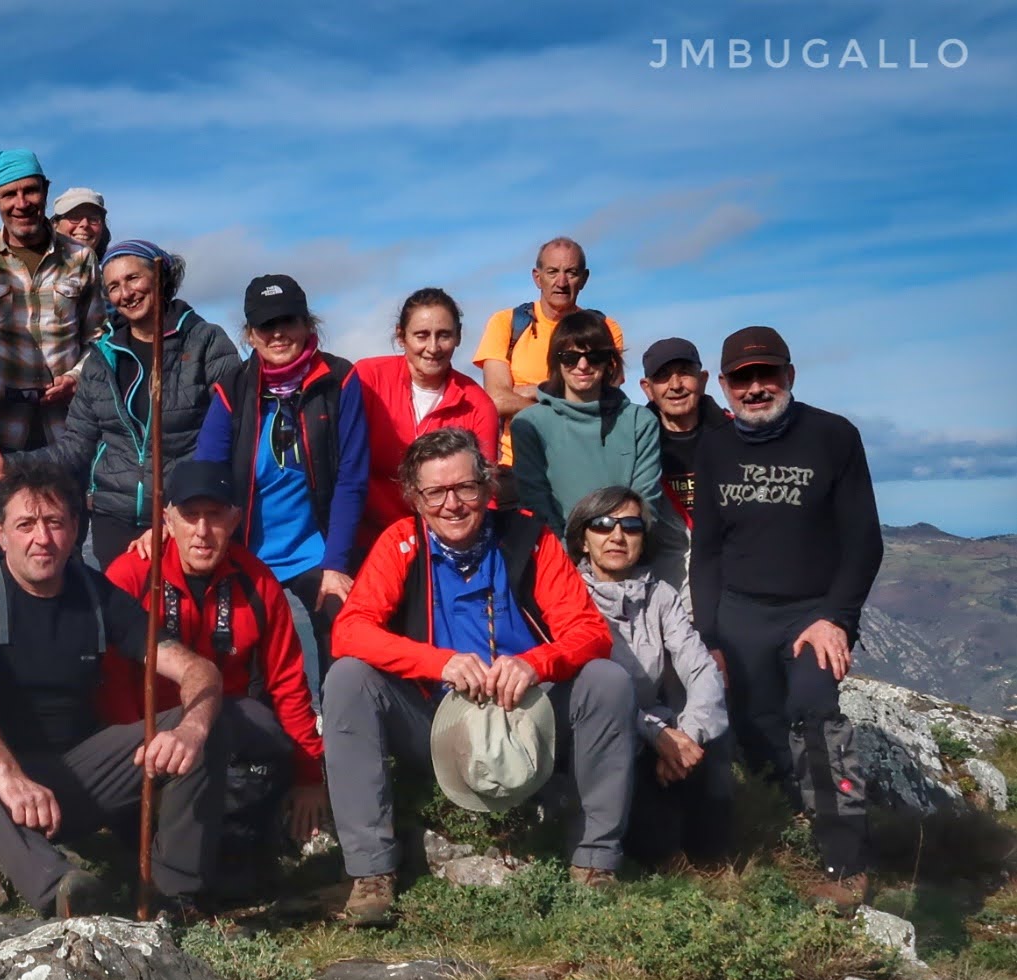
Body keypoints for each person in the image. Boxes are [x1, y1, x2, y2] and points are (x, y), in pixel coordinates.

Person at [324, 430, 634, 925]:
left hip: (529, 714)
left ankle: (595, 864)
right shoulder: (400, 543)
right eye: (435, 493)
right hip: (432, 719)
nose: (452, 504)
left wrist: (536, 663)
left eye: (465, 488)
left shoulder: (530, 538)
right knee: (347, 679)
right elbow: (350, 632)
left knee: (607, 681)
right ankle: (372, 874)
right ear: (415, 498)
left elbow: (589, 632)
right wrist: (436, 661)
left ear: (488, 487)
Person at [0, 458, 228, 918]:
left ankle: (174, 897)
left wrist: (190, 732)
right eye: (26, 524)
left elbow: (197, 671)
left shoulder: (95, 593)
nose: (42, 539)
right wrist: (9, 778)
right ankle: (61, 891)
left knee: (197, 724)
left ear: (75, 529)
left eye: (54, 522)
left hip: (71, 779)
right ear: (0, 532)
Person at [692, 326, 884, 912]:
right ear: (724, 386)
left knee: (815, 711)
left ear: (790, 376)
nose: (755, 388)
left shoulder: (833, 436)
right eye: (742, 378)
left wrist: (836, 619)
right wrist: (709, 638)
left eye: (766, 374)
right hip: (741, 612)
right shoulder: (716, 447)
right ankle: (782, 830)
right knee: (755, 725)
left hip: (811, 614)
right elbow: (708, 552)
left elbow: (864, 542)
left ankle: (844, 862)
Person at [99, 461, 329, 892]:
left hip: (226, 728)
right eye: (190, 516)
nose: (202, 531)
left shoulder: (259, 584)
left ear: (236, 519)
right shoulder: (131, 576)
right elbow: (112, 682)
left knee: (256, 729)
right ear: (167, 519)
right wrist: (143, 757)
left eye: (215, 515)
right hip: (145, 739)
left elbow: (288, 686)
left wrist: (309, 777)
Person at [0, 240, 239, 566]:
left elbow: (231, 428)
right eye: (113, 287)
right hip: (114, 519)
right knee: (124, 612)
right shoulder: (102, 360)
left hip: (187, 517)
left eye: (133, 279)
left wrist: (180, 511)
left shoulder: (205, 342)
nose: (125, 293)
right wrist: (10, 465)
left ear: (160, 276)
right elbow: (76, 445)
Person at [193, 274, 366, 670]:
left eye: (287, 321)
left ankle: (335, 729)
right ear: (250, 334)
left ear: (307, 324)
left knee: (344, 642)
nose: (277, 334)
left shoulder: (340, 381)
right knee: (244, 659)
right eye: (265, 326)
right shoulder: (231, 390)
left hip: (318, 550)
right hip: (246, 552)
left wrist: (337, 565)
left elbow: (351, 479)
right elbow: (207, 472)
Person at [568, 486, 732, 864]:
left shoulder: (661, 596)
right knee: (652, 846)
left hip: (659, 728)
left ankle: (715, 867)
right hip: (603, 735)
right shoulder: (569, 597)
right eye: (603, 524)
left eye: (631, 526)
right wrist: (657, 734)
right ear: (583, 538)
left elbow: (701, 668)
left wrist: (685, 736)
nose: (617, 536)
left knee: (716, 742)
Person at [0, 150, 107, 552]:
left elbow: (100, 336)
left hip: (66, 426)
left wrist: (76, 379)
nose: (21, 203)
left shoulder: (81, 259)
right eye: (9, 194)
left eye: (30, 191)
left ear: (45, 192)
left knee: (66, 533)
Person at [508, 311, 666, 556]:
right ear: (556, 362)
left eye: (594, 356)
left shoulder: (640, 422)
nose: (582, 365)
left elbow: (646, 505)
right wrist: (567, 564)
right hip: (559, 564)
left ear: (609, 361)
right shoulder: (529, 424)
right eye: (570, 357)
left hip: (626, 562)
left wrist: (615, 558)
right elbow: (536, 504)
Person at [353, 287, 499, 542]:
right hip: (366, 539)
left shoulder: (478, 405)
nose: (433, 347)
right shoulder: (367, 379)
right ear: (402, 336)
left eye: (443, 335)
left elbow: (484, 493)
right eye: (421, 335)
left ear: (458, 336)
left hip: (441, 544)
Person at [471, 237, 626, 426]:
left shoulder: (606, 328)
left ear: (584, 279)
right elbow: (497, 400)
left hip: (583, 451)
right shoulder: (506, 322)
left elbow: (603, 398)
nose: (561, 282)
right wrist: (560, 400)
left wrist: (529, 391)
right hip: (517, 454)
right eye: (552, 272)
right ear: (537, 277)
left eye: (571, 273)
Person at [638, 337, 732, 590]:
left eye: (685, 373)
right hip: (666, 594)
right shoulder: (633, 446)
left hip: (733, 591)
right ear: (647, 388)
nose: (675, 385)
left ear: (702, 379)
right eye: (663, 376)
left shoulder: (737, 436)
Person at [51, 187, 111, 255]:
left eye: (93, 219)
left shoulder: (112, 264)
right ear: (55, 224)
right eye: (75, 218)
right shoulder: (39, 263)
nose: (85, 224)